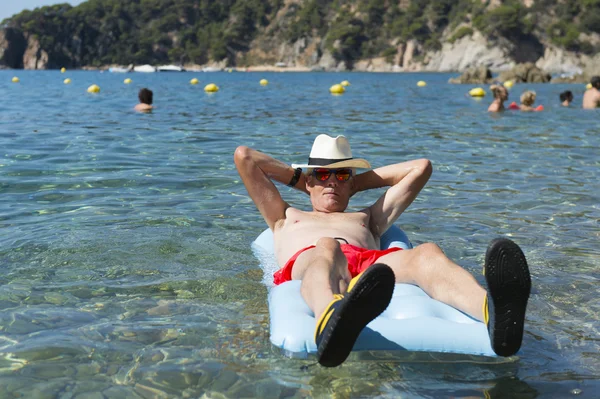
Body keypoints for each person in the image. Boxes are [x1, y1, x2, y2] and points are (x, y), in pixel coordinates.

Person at [234, 134, 531, 367]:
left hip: (369, 263)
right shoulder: (284, 217)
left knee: (426, 252)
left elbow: (421, 167)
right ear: (309, 180)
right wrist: (304, 181)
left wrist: (350, 184)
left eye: (341, 175)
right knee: (328, 246)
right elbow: (245, 157)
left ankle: (494, 314)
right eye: (323, 175)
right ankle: (330, 319)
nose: (332, 183)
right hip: (314, 259)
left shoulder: (368, 218)